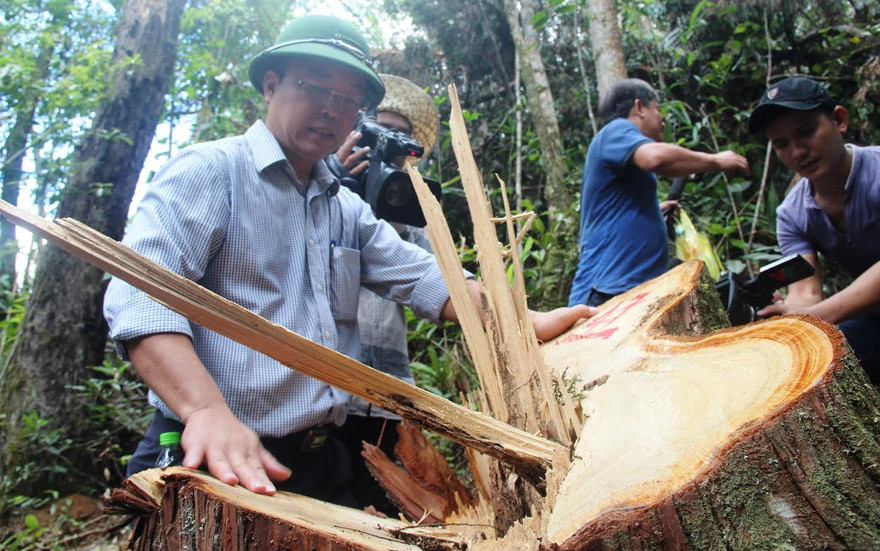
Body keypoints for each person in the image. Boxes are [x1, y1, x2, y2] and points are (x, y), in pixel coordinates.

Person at [103, 14, 595, 503]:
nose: (330, 110)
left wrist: (520, 320)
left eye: (347, 100)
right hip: (211, 453)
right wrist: (205, 411)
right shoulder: (212, 172)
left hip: (314, 461)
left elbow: (424, 276)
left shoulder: (343, 207)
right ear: (271, 85)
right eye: (314, 88)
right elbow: (140, 295)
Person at [331, 73, 440, 513]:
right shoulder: (324, 183)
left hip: (385, 382)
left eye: (401, 137)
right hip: (329, 380)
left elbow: (435, 275)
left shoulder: (409, 205)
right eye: (383, 131)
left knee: (375, 500)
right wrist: (338, 178)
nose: (389, 144)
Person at [568, 78, 750, 308]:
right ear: (638, 107)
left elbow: (615, 208)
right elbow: (655, 158)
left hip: (626, 289)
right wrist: (715, 160)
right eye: (657, 108)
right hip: (606, 289)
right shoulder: (617, 130)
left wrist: (657, 210)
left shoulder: (622, 154)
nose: (662, 118)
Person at [750, 76, 880, 384]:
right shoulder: (793, 213)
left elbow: (820, 311)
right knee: (810, 360)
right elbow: (806, 291)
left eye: (806, 132)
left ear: (839, 120)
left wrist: (820, 315)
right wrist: (786, 318)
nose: (797, 152)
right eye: (781, 144)